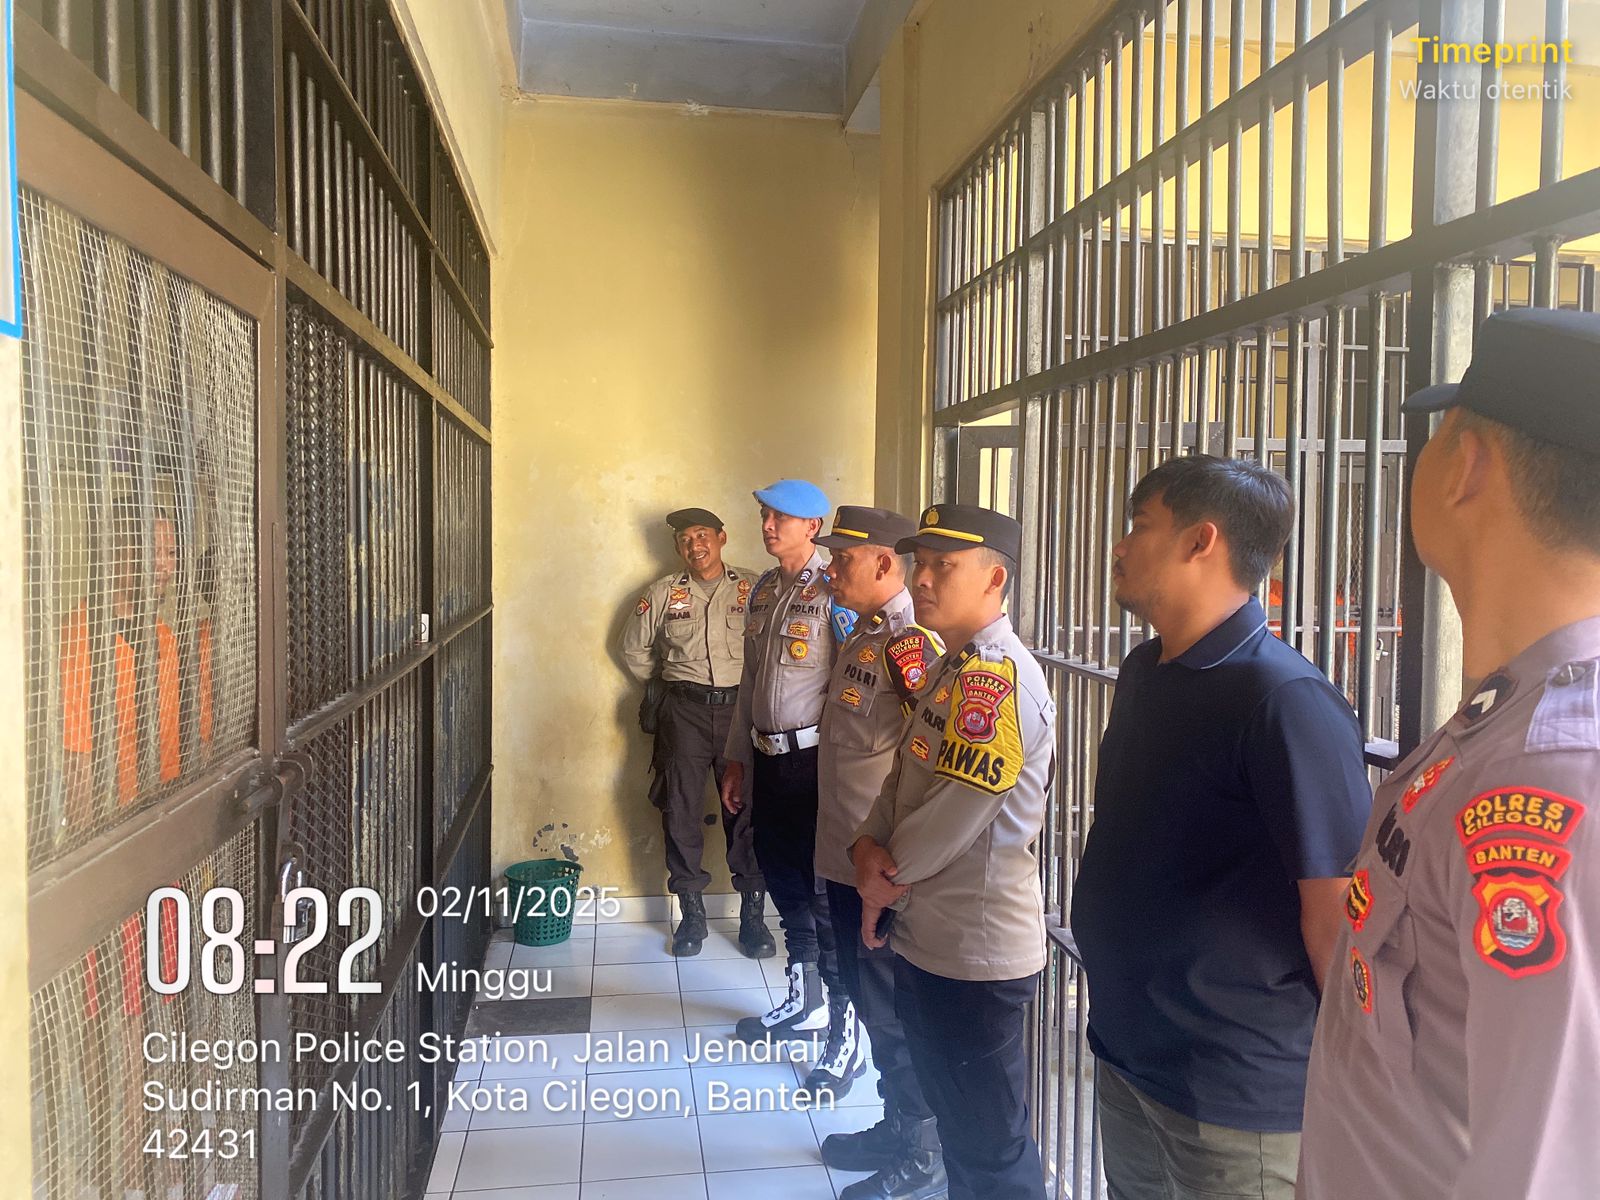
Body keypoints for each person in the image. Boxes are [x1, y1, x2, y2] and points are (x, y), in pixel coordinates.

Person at [1298, 307, 1600, 1198]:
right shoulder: (1505, 722)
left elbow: (1546, 1173)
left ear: (1467, 466)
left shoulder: (1553, 775)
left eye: (1437, 437)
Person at [1068, 455, 1371, 1200]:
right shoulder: (1145, 671)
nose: (1119, 546)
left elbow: (1335, 912)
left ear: (1201, 540)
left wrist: (1355, 1080)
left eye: (1140, 525)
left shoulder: (1284, 699)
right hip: (1129, 1055)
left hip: (1233, 1090)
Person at [852, 503, 1055, 1200]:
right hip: (931, 936)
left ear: (995, 578)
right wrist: (866, 845)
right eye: (922, 562)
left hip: (975, 950)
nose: (923, 578)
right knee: (960, 1132)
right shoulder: (952, 666)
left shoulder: (996, 680)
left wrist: (881, 876)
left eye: (945, 565)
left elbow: (951, 817)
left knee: (991, 1149)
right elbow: (904, 780)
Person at [812, 505, 946, 1194]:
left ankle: (923, 1156)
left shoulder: (909, 644)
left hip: (881, 868)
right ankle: (897, 1124)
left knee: (894, 1012)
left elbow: (928, 764)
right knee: (872, 1004)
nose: (831, 569)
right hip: (845, 853)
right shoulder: (864, 632)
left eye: (843, 559)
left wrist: (895, 864)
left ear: (885, 563)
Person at [720, 479, 856, 1045]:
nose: (769, 526)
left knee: (822, 893)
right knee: (783, 880)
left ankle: (843, 1028)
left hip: (815, 765)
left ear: (813, 527)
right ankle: (806, 1002)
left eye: (782, 517)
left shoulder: (834, 589)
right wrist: (736, 759)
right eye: (765, 515)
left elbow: (854, 687)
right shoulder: (763, 591)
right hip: (767, 760)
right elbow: (749, 681)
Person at [620, 507, 773, 958]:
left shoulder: (755, 588)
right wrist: (670, 683)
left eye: (702, 535)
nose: (695, 546)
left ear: (721, 538)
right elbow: (633, 650)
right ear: (677, 547)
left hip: (741, 714)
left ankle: (753, 918)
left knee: (746, 811)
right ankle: (691, 915)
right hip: (683, 712)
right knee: (680, 810)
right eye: (685, 539)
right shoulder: (663, 593)